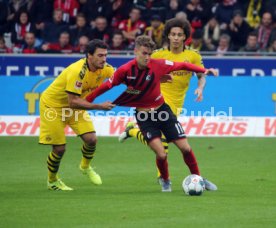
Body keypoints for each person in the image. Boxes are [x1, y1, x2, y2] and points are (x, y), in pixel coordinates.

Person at [85, 35, 218, 192]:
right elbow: (105, 86)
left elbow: (183, 65)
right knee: (161, 154)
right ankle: (165, 180)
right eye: (144, 53)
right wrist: (86, 102)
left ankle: (199, 178)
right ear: (136, 52)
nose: (147, 57)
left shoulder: (159, 65)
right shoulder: (125, 70)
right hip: (144, 117)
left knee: (186, 148)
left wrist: (204, 70)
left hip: (163, 111)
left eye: (149, 53)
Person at [118, 18, 218, 191]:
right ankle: (165, 179)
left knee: (168, 145)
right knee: (164, 144)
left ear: (185, 37)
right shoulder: (157, 54)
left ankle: (133, 131)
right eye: (173, 34)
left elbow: (202, 76)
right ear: (168, 36)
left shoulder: (193, 55)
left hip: (177, 104)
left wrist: (200, 89)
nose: (176, 38)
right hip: (158, 101)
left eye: (180, 35)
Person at [39, 39, 115, 191]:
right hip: (53, 107)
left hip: (74, 107)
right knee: (59, 149)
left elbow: (124, 77)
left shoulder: (105, 68)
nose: (104, 59)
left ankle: (85, 167)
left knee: (91, 139)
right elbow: (73, 101)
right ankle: (52, 181)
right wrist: (99, 106)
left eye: (105, 55)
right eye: (100, 56)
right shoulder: (77, 71)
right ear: (89, 55)